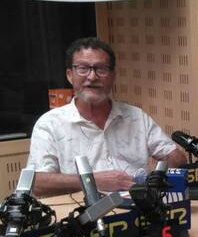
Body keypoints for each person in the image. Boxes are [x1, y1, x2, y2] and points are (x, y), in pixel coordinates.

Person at [27, 37, 186, 196]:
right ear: (70, 75)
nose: (92, 77)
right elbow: (37, 183)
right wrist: (92, 181)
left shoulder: (136, 117)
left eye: (101, 69)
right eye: (83, 68)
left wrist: (151, 180)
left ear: (113, 76)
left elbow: (176, 158)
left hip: (136, 206)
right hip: (81, 209)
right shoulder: (50, 123)